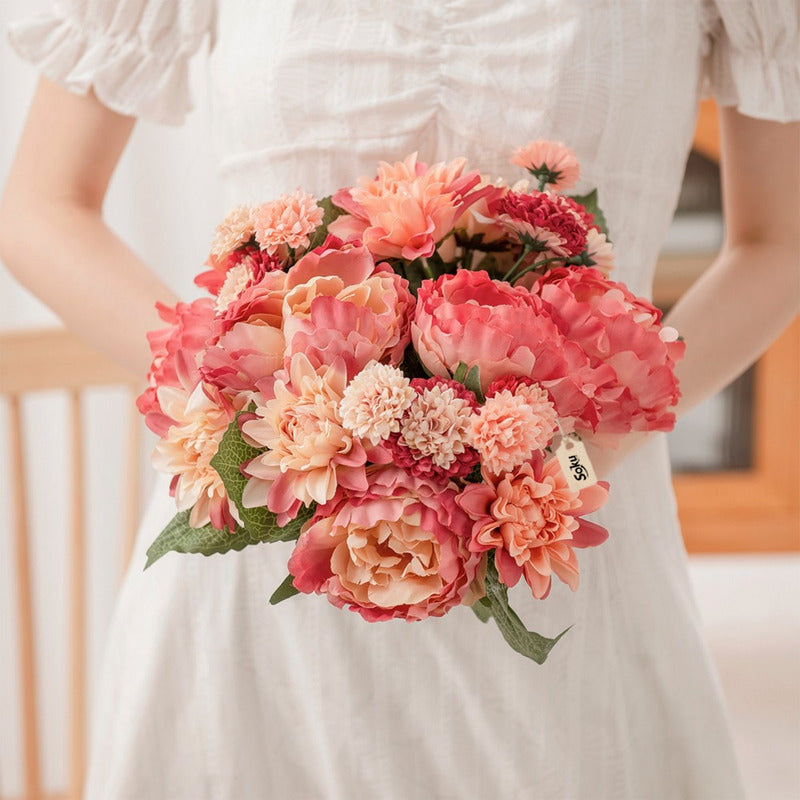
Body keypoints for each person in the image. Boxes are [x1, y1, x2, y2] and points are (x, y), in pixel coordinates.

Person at [1, 1, 797, 797]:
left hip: (561, 547)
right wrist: (245, 387)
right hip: (267, 537)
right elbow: (43, 207)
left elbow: (778, 245)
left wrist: (574, 450)